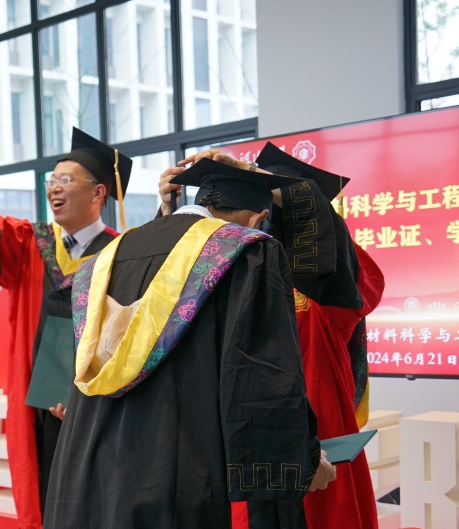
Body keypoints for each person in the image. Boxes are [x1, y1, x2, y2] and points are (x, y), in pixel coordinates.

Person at [45, 158, 334, 529]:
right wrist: (302, 464)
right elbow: (261, 378)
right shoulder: (248, 252)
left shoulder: (102, 260)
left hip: (84, 477)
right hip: (172, 480)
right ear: (259, 218)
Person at [161, 144, 383, 529]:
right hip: (223, 441)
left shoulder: (320, 288)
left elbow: (328, 243)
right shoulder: (217, 276)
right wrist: (169, 213)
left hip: (307, 441)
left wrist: (250, 172)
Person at [0, 127, 132, 529]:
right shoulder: (29, 243)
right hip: (36, 406)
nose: (55, 187)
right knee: (42, 495)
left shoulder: (123, 252)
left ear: (98, 193)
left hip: (95, 406)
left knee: (93, 501)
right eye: (52, 180)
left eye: (66, 180)